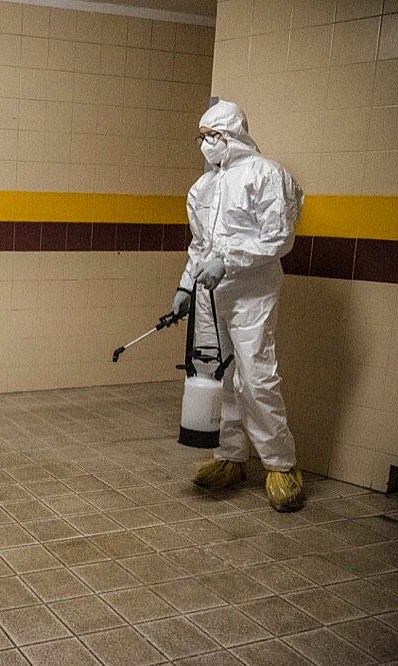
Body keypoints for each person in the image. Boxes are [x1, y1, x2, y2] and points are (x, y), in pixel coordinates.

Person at [170, 100, 304, 512]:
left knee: (256, 377)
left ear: (232, 135)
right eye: (203, 137)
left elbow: (278, 238)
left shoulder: (266, 175)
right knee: (216, 374)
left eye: (214, 136)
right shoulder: (203, 187)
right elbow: (200, 246)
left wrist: (228, 261)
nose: (207, 144)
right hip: (211, 294)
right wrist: (186, 286)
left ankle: (281, 464)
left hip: (251, 293)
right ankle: (229, 457)